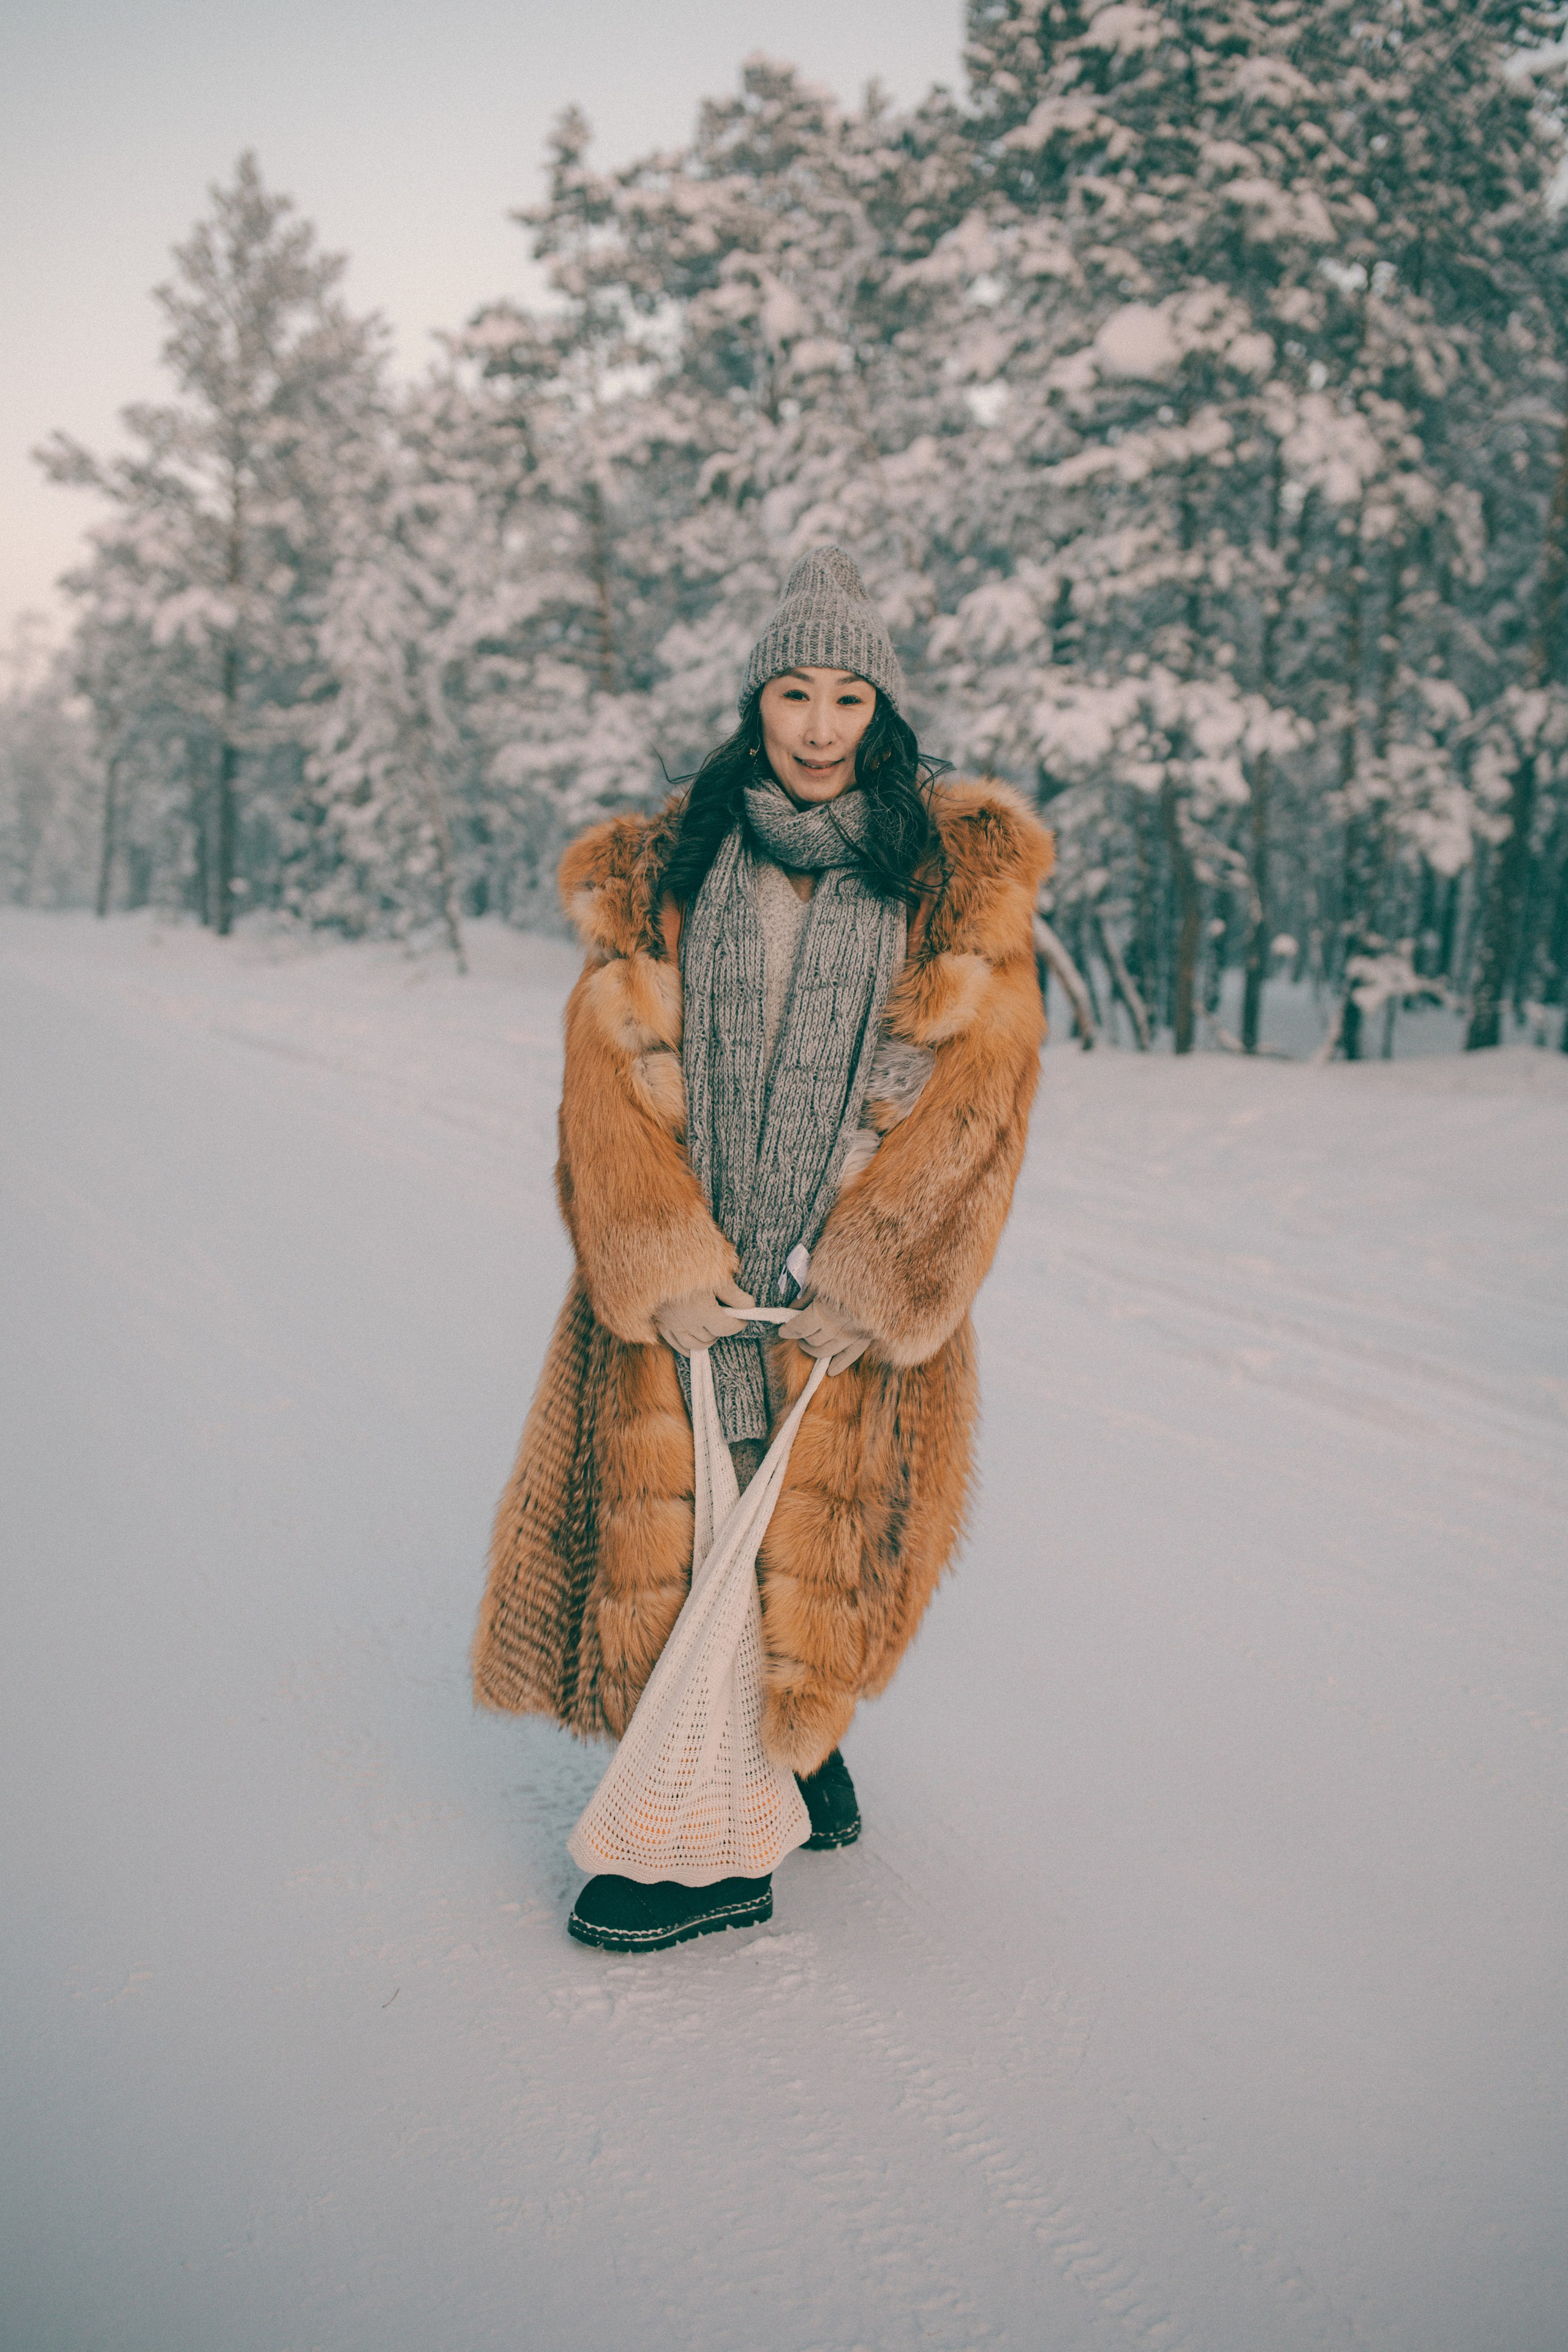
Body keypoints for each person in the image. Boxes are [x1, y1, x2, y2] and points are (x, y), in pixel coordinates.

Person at [473, 548, 1052, 1951]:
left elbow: (980, 1108)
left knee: (806, 1545)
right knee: (694, 1536)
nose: (815, 725)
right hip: (695, 1288)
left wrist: (881, 1286)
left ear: (880, 712)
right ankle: (711, 1826)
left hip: (843, 1300)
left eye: (847, 695)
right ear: (754, 700)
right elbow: (599, 1091)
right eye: (792, 690)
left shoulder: (945, 886)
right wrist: (655, 1267)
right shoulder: (666, 869)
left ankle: (755, 1785)